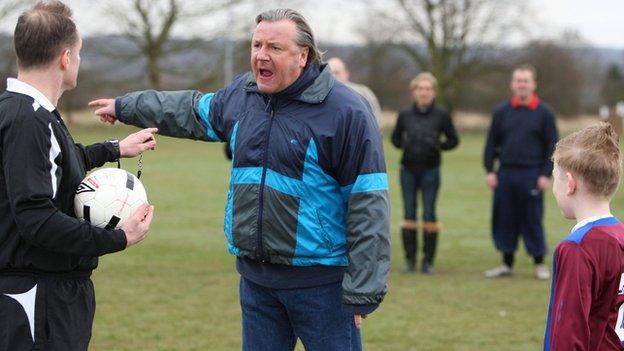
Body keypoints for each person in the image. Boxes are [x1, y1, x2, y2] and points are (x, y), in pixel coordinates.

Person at [89, 8, 390, 351]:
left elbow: (368, 201)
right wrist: (126, 106)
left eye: (274, 48)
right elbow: (188, 109)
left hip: (322, 286)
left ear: (303, 55)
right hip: (256, 282)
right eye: (256, 44)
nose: (261, 55)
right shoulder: (243, 96)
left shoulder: (346, 111)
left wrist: (364, 288)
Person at [0, 2, 156, 350]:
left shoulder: (27, 112)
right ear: (66, 58)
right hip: (37, 297)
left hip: (50, 293)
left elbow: (56, 168)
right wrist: (119, 237)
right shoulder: (29, 120)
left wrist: (115, 148)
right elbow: (35, 219)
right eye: (81, 53)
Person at [544, 123, 624, 350]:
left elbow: (568, 334)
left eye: (554, 178)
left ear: (569, 184)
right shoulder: (620, 235)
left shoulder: (577, 248)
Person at [483, 64, 558, 280]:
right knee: (505, 218)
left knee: (532, 218)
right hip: (505, 173)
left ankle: (538, 263)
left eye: (526, 80)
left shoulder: (544, 113)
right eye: (518, 80)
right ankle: (506, 263)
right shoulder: (501, 112)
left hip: (532, 175)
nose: (522, 84)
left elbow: (552, 146)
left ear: (533, 84)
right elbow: (491, 144)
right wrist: (490, 170)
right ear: (512, 84)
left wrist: (546, 174)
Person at [390, 72, 459, 274]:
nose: (424, 92)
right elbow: (394, 139)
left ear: (433, 92)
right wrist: (407, 145)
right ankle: (410, 261)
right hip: (408, 170)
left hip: (431, 170)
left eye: (428, 89)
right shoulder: (404, 115)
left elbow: (454, 140)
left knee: (429, 213)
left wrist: (438, 145)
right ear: (414, 92)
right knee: (409, 213)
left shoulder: (442, 115)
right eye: (420, 89)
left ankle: (428, 261)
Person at [327, 57, 383, 128]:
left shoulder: (363, 92)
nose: (333, 76)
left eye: (337, 72)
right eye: (330, 73)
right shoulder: (319, 96)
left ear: (346, 74)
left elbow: (376, 119)